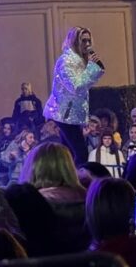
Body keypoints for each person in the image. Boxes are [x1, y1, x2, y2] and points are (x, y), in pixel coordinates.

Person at [43, 26, 104, 165]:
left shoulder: (79, 61)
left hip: (70, 114)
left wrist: (92, 69)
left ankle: (65, 175)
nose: (87, 44)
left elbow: (83, 86)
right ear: (74, 41)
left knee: (68, 153)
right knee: (81, 153)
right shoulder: (66, 61)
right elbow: (76, 86)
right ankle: (77, 177)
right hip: (64, 114)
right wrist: (92, 69)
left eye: (89, 40)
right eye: (83, 40)